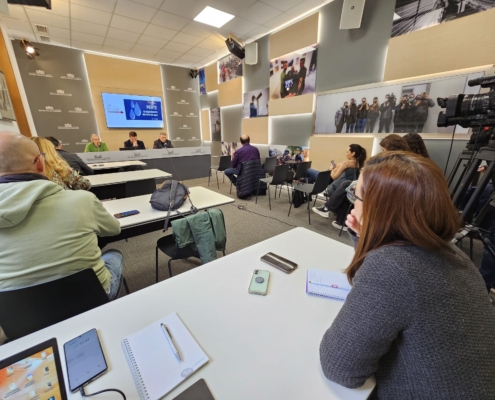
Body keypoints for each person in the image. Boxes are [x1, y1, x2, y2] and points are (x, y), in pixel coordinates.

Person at [319, 151, 495, 398]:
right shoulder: (454, 255)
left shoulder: (391, 267)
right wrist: (364, 238)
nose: (352, 203)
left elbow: (340, 368)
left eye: (354, 195)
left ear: (376, 208)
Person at [0, 131, 124, 300]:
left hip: (19, 315)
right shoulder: (82, 200)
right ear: (39, 163)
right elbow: (114, 229)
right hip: (91, 296)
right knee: (114, 255)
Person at [311, 144, 366, 219]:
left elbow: (334, 177)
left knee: (309, 171)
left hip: (333, 189)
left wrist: (331, 169)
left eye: (347, 152)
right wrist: (336, 168)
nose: (345, 153)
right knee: (312, 175)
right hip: (340, 188)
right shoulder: (356, 165)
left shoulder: (346, 163)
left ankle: (307, 188)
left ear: (353, 153)